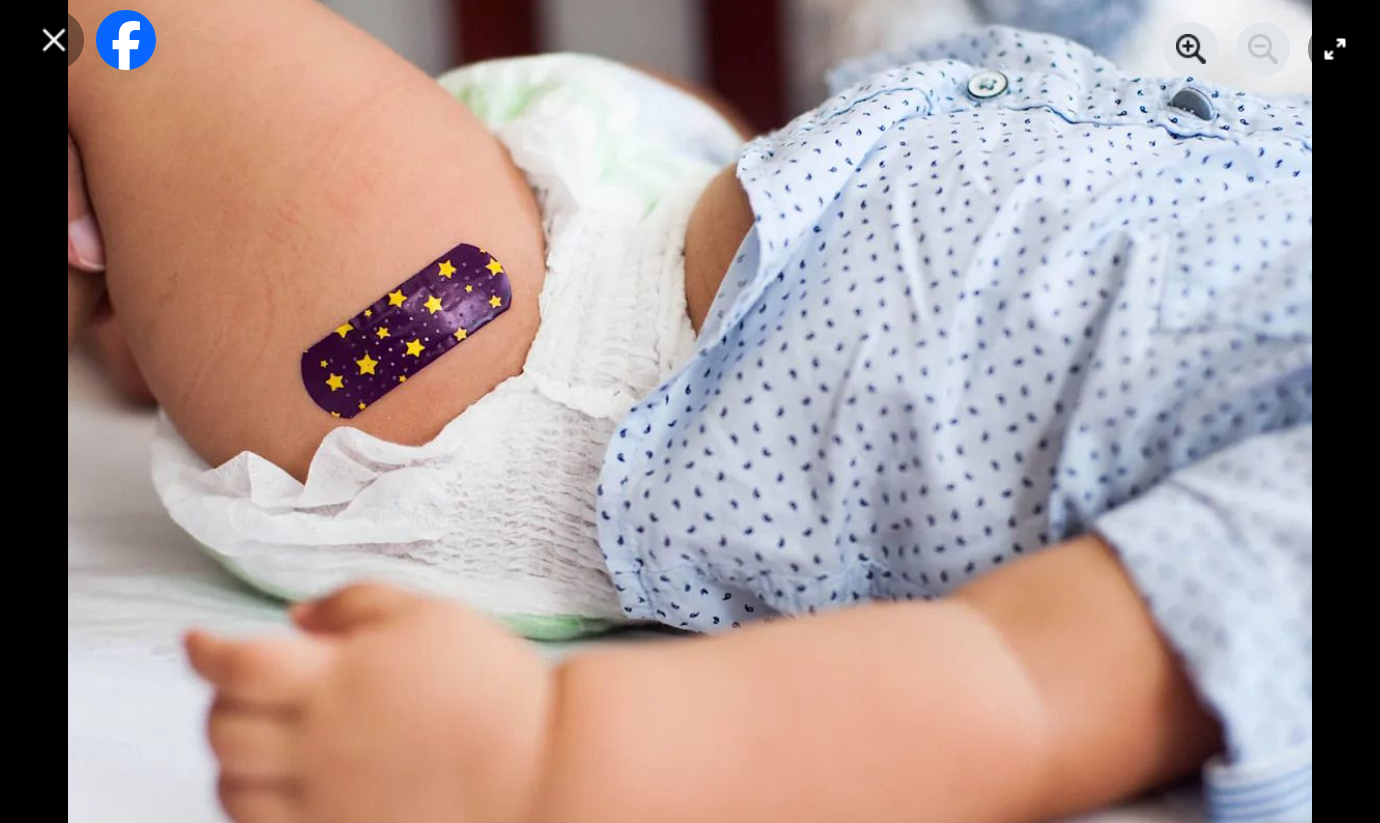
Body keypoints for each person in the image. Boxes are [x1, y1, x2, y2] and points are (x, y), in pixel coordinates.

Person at [68, 1, 1311, 820]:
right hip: (691, 163)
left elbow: (1017, 689)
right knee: (155, 157)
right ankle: (163, 292)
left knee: (120, 31)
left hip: (511, 355)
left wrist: (542, 756)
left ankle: (198, 284)